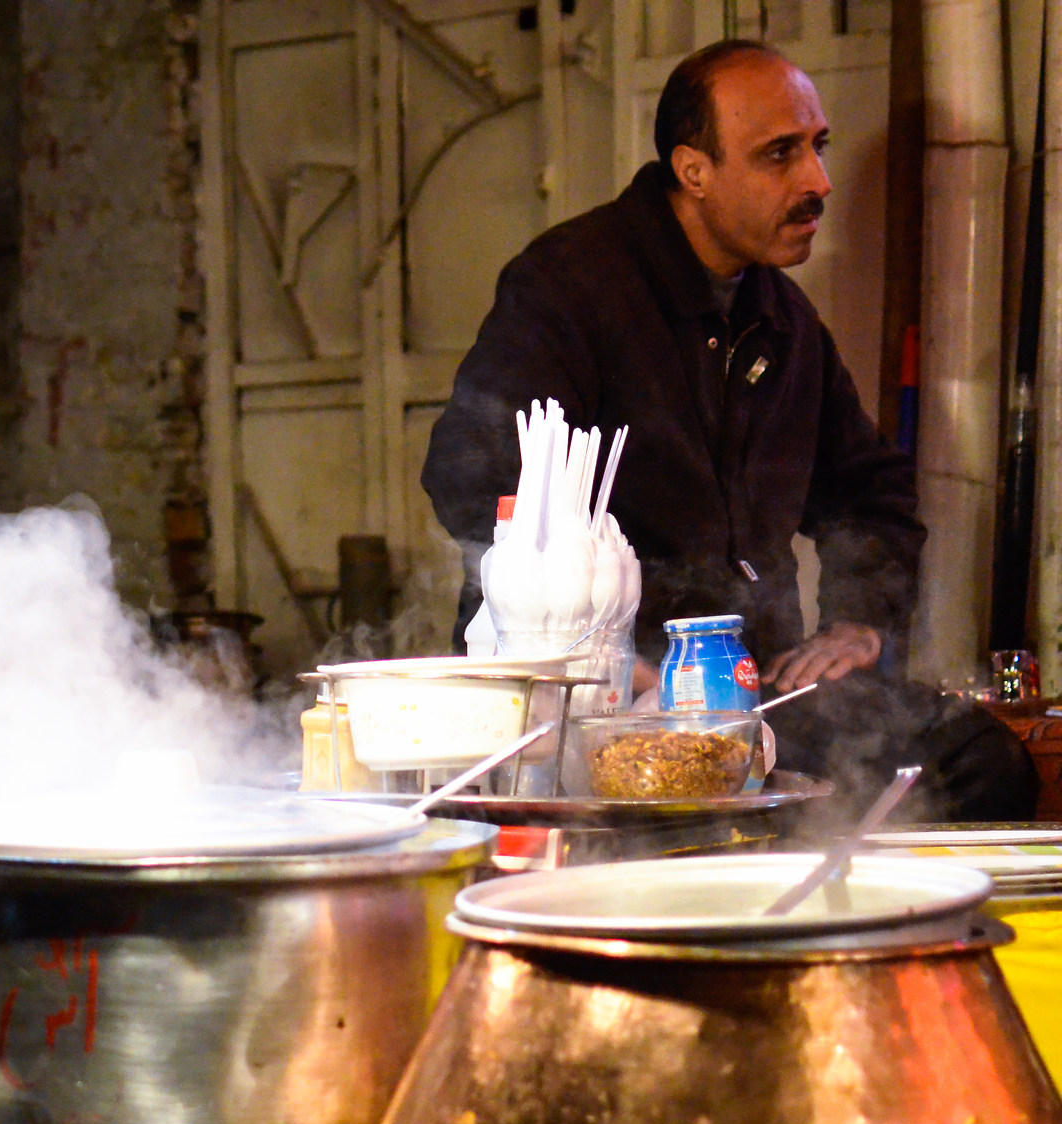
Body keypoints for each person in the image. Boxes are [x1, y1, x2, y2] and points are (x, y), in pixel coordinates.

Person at [422, 38, 1036, 823]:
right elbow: (470, 478)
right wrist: (612, 657)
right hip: (597, 699)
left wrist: (859, 623)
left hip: (749, 686)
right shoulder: (571, 285)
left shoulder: (783, 320)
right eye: (779, 154)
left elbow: (871, 490)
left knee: (982, 766)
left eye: (816, 147)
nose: (817, 181)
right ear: (694, 170)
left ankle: (858, 935)